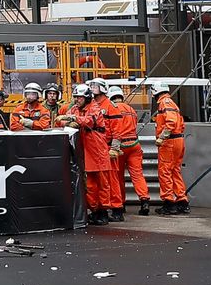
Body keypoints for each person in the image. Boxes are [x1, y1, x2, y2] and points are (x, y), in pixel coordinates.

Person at [56, 84, 111, 225]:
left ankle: (103, 211)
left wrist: (73, 119)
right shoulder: (75, 109)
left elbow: (89, 121)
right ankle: (95, 210)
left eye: (79, 97)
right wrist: (66, 120)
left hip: (97, 150)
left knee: (102, 183)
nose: (76, 100)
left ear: (86, 97)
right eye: (75, 97)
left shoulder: (95, 107)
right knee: (90, 185)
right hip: (85, 150)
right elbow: (62, 120)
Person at [107, 86, 150, 217]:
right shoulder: (131, 109)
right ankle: (144, 200)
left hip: (119, 146)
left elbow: (111, 128)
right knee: (137, 174)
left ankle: (120, 204)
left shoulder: (113, 108)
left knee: (118, 177)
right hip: (134, 144)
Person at [151, 81, 189, 215]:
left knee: (165, 171)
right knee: (175, 171)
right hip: (177, 140)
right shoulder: (171, 102)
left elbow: (171, 122)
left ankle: (169, 202)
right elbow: (180, 123)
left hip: (170, 142)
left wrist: (162, 137)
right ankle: (182, 201)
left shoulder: (164, 102)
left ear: (155, 91)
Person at [87, 78, 122, 217]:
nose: (92, 88)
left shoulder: (110, 106)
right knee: (100, 182)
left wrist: (115, 147)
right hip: (97, 148)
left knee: (112, 179)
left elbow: (117, 128)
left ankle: (117, 208)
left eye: (95, 86)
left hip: (108, 147)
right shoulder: (93, 105)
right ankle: (105, 207)